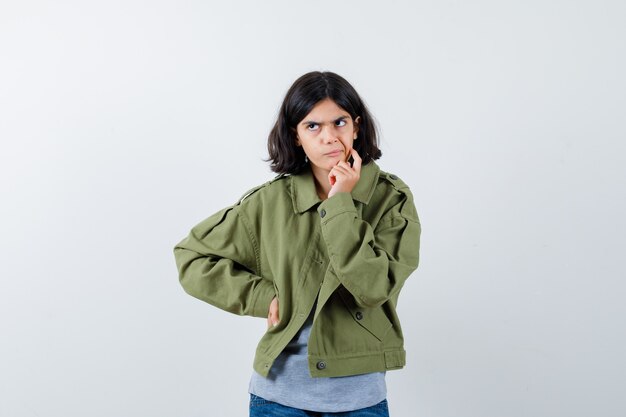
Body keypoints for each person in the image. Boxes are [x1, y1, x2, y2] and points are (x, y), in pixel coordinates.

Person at [173, 71, 421, 417]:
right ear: (297, 135)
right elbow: (192, 257)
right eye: (313, 126)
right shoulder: (270, 202)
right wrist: (263, 297)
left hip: (359, 399)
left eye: (339, 122)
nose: (329, 137)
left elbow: (373, 287)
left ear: (357, 126)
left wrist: (339, 204)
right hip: (278, 398)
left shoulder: (390, 199)